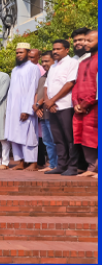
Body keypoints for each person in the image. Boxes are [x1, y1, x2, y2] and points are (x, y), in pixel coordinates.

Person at [44, 40, 80, 176]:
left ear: (67, 50)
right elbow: (46, 86)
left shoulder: (72, 63)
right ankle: (61, 165)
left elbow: (70, 83)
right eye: (54, 49)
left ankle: (72, 167)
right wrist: (48, 102)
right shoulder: (53, 66)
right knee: (58, 138)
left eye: (58, 49)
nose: (55, 51)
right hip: (52, 107)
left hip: (66, 106)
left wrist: (52, 100)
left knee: (69, 138)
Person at [5, 44, 41, 171]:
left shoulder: (33, 68)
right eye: (17, 53)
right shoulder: (15, 69)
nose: (18, 55)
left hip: (26, 109)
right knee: (15, 136)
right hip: (13, 110)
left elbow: (33, 89)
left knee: (28, 135)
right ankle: (20, 162)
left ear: (28, 52)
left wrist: (27, 110)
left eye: (21, 52)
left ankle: (32, 163)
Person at [73, 30, 98, 177]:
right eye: (85, 40)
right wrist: (76, 102)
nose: (85, 43)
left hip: (94, 106)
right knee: (84, 137)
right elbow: (76, 84)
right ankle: (91, 168)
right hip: (81, 108)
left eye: (90, 41)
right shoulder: (83, 62)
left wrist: (86, 104)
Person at [34, 51, 56, 172]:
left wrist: (38, 104)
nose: (44, 64)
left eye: (47, 61)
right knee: (47, 141)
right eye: (42, 61)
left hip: (53, 113)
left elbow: (52, 93)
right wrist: (36, 107)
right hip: (43, 114)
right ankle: (52, 164)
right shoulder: (43, 77)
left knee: (55, 140)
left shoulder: (56, 75)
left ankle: (57, 164)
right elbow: (38, 93)